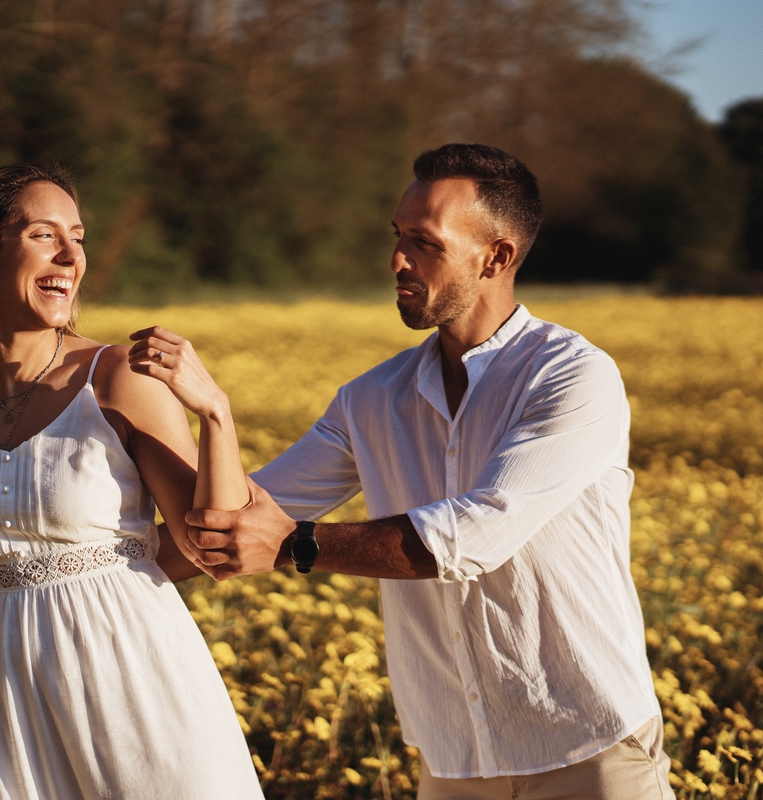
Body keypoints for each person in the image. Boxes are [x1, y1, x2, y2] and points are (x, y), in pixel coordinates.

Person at [149, 144, 674, 799]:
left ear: (498, 256)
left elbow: (476, 534)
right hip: (454, 760)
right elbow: (233, 525)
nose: (397, 260)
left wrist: (293, 546)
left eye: (424, 243)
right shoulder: (371, 398)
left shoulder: (570, 375)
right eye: (398, 237)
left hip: (588, 751)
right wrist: (214, 416)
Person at [0, 164, 263, 799]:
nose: (71, 255)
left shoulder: (118, 378)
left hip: (135, 675)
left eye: (77, 237)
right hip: (10, 695)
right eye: (43, 235)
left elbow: (210, 542)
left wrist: (215, 411)